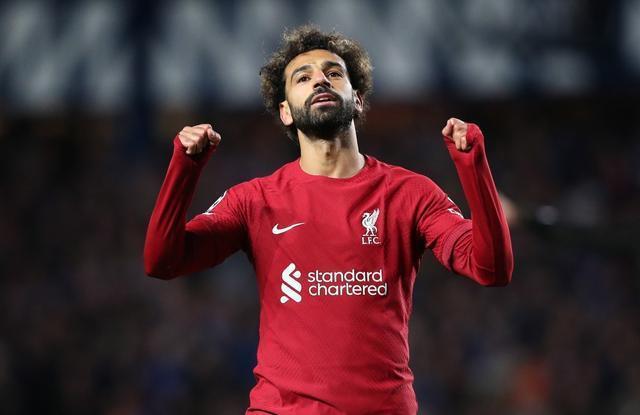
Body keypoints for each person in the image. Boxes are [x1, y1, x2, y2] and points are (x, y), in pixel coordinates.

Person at [144, 25, 513, 415]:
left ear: (357, 99)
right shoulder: (255, 200)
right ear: (286, 112)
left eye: (334, 73)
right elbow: (162, 261)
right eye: (303, 78)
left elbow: (491, 268)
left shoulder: (411, 193)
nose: (320, 80)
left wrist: (473, 164)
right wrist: (184, 168)